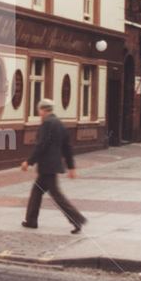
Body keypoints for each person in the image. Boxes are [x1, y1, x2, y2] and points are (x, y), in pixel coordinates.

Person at [20, 98, 87, 234]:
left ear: (43, 110)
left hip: (47, 166)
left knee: (56, 195)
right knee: (37, 191)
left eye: (39, 110)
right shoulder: (59, 124)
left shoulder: (47, 124)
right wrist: (71, 167)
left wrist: (29, 161)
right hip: (52, 165)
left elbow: (41, 145)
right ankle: (31, 220)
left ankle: (76, 219)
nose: (39, 113)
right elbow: (67, 147)